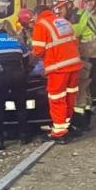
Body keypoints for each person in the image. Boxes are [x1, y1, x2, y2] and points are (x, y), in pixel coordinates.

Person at [31, 9, 82, 143]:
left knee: (56, 98)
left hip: (58, 67)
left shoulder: (41, 25)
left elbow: (38, 50)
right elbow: (75, 41)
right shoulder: (63, 21)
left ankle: (59, 132)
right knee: (69, 96)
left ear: (37, 15)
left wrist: (30, 61)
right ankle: (66, 125)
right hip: (74, 64)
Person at [0, 18, 32, 149]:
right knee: (21, 106)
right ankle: (23, 136)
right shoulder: (18, 41)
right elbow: (27, 62)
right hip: (18, 77)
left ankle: (0, 140)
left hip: (1, 78)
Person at [54, 0, 96, 133]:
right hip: (69, 61)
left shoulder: (83, 16)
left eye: (61, 7)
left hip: (82, 59)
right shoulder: (60, 19)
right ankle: (80, 119)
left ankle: (81, 121)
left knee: (80, 91)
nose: (59, 10)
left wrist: (77, 46)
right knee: (78, 91)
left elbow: (93, 37)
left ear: (69, 4)